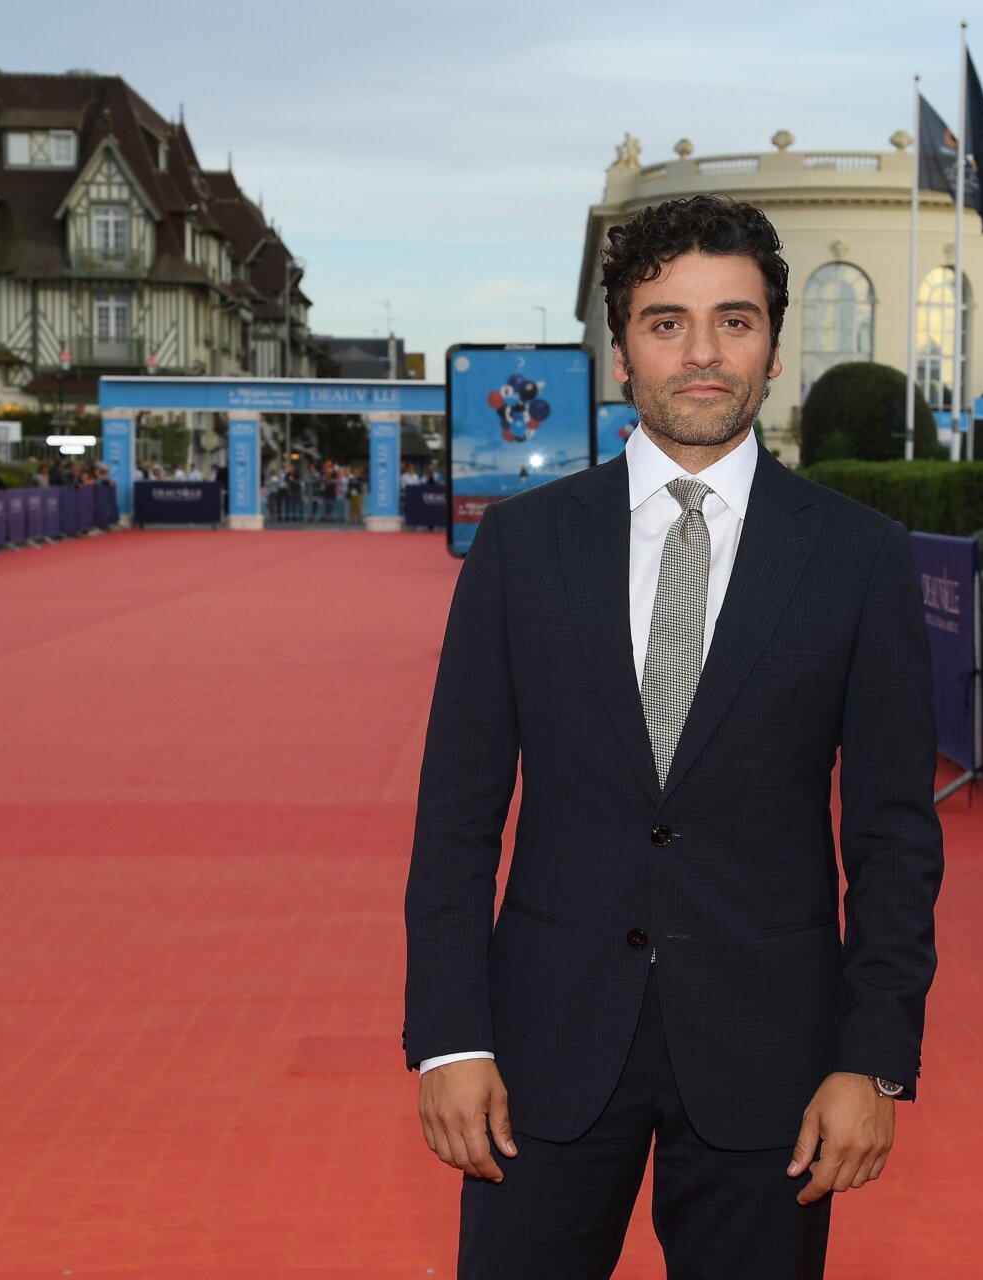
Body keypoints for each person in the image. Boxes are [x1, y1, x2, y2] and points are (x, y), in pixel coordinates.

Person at [403, 195, 944, 1279]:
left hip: (774, 1059)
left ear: (774, 347)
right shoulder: (521, 548)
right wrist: (451, 1036)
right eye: (667, 322)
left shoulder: (860, 556)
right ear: (621, 352)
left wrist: (873, 1061)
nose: (703, 353)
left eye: (734, 321)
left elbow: (893, 832)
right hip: (542, 1048)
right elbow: (458, 815)